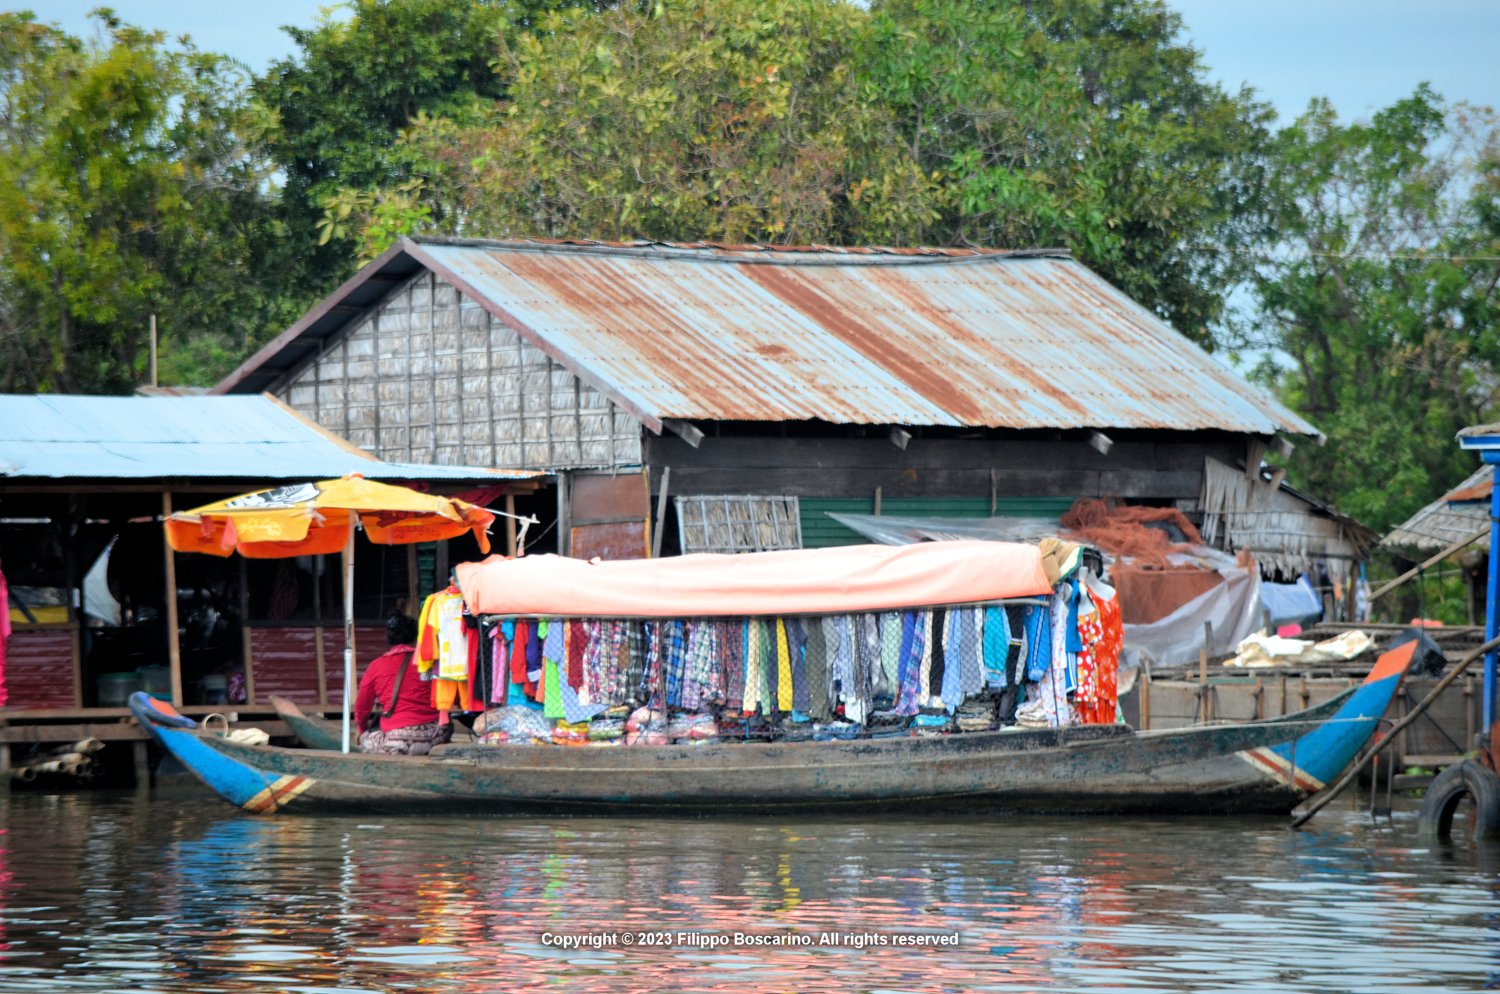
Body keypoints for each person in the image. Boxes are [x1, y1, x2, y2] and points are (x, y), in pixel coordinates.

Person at [355, 613, 452, 755]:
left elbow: (362, 705)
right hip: (433, 736)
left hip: (396, 741)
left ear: (389, 639)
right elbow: (441, 692)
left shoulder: (377, 666)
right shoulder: (427, 664)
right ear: (415, 638)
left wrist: (361, 729)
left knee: (363, 739)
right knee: (448, 726)